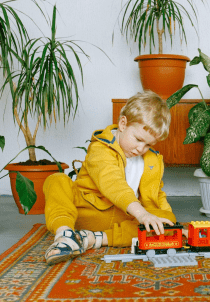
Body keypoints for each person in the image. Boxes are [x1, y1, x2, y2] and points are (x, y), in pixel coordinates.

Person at [44, 91, 176, 265]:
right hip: (88, 210)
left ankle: (94, 239)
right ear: (123, 124)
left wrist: (170, 223)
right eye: (137, 139)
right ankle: (65, 235)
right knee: (56, 180)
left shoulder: (152, 159)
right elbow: (113, 183)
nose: (140, 148)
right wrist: (142, 214)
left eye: (149, 144)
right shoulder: (100, 148)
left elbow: (157, 193)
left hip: (124, 217)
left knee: (167, 221)